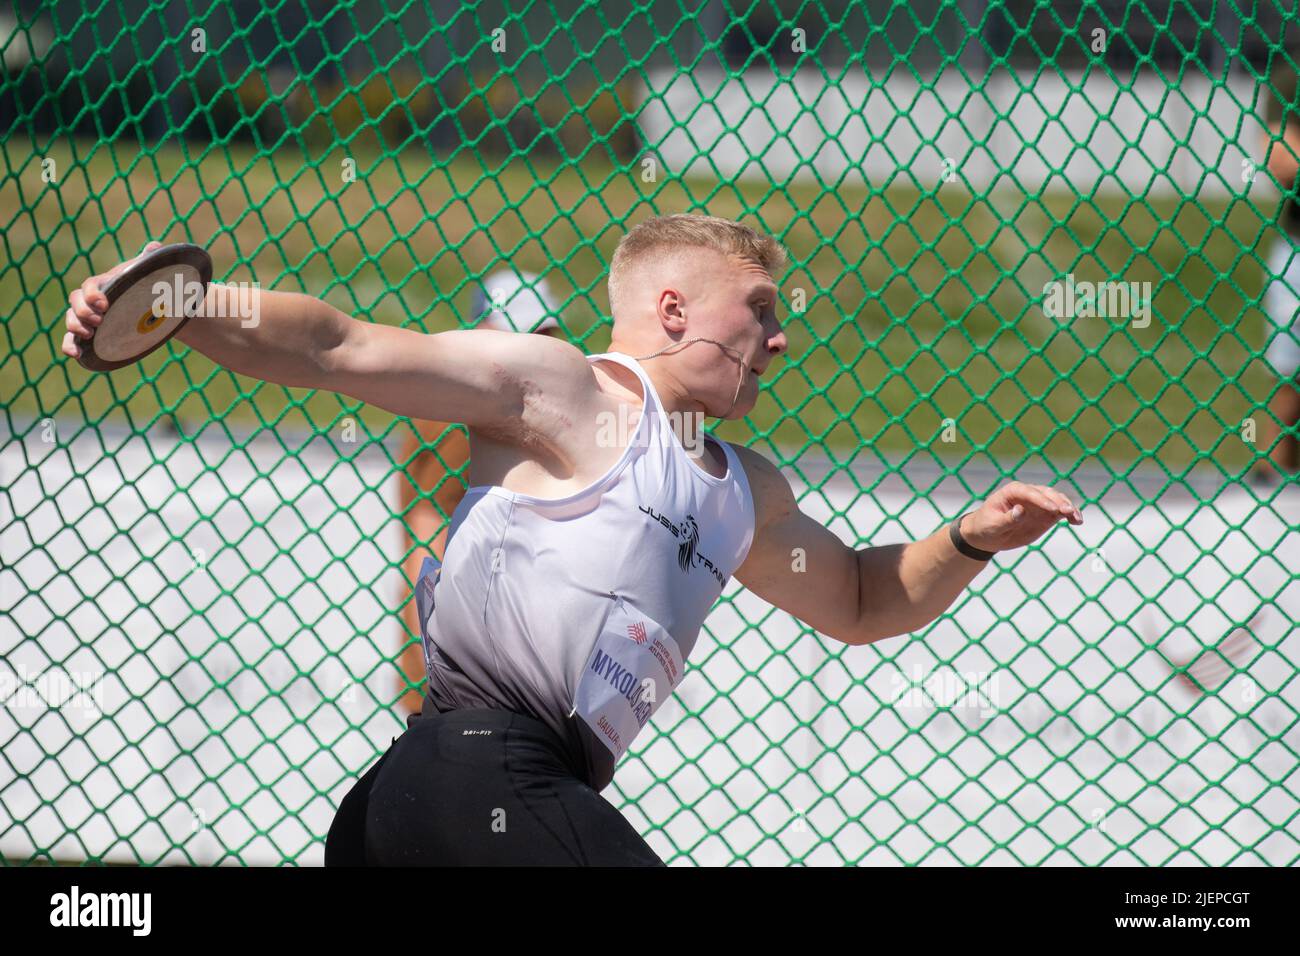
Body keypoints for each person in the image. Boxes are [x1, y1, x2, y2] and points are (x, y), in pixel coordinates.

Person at [62, 213, 1084, 866]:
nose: (780, 338)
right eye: (760, 311)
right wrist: (177, 305)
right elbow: (341, 343)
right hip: (471, 780)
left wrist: (970, 535)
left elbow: (862, 599)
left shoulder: (744, 495)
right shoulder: (568, 391)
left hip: (449, 810)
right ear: (674, 309)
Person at [394, 271, 567, 716]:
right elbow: (428, 539)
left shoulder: (514, 400)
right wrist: (432, 669)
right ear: (483, 332)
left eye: (546, 336)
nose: (540, 351)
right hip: (464, 664)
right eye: (526, 336)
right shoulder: (462, 413)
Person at [1254, 55, 1300, 484]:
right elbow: (1281, 162)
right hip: (1297, 248)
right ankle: (1270, 476)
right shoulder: (1290, 78)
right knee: (1288, 373)